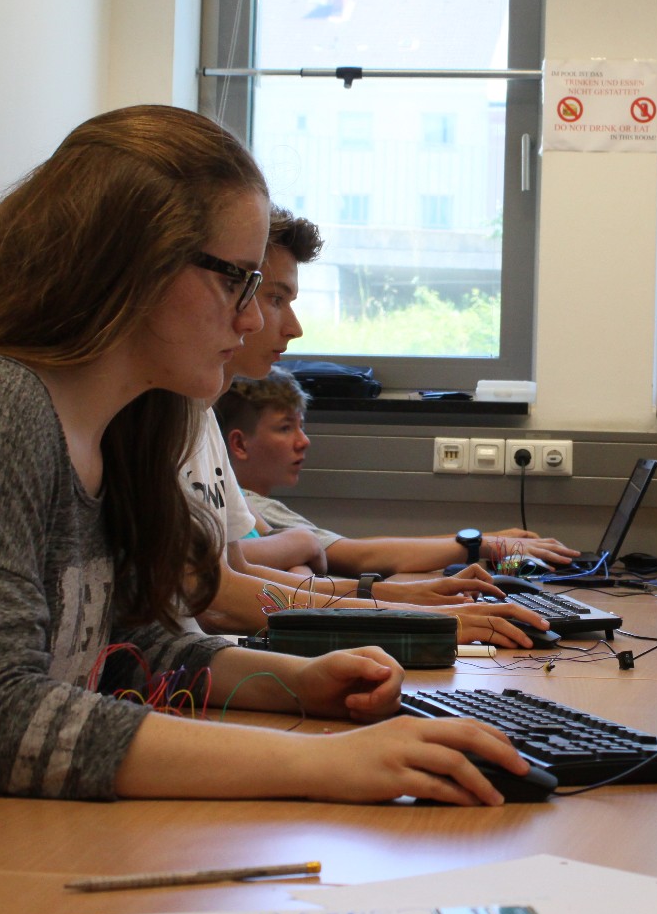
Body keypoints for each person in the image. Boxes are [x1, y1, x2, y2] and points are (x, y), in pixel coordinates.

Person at [0, 106, 528, 871]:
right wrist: (323, 763)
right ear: (135, 264)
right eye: (238, 280)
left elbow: (118, 650)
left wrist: (298, 682)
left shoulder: (124, 427)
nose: (252, 319)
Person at [181, 209, 553, 648]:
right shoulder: (174, 416)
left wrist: (396, 598)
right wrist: (409, 612)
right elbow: (220, 600)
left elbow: (237, 576)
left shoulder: (201, 416)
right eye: (275, 299)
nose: (292, 327)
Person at [216, 370, 577, 574]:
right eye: (285, 428)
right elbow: (359, 557)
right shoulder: (253, 508)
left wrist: (485, 538)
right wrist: (483, 545)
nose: (303, 441)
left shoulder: (257, 507)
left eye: (302, 426)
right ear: (239, 444)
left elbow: (355, 548)